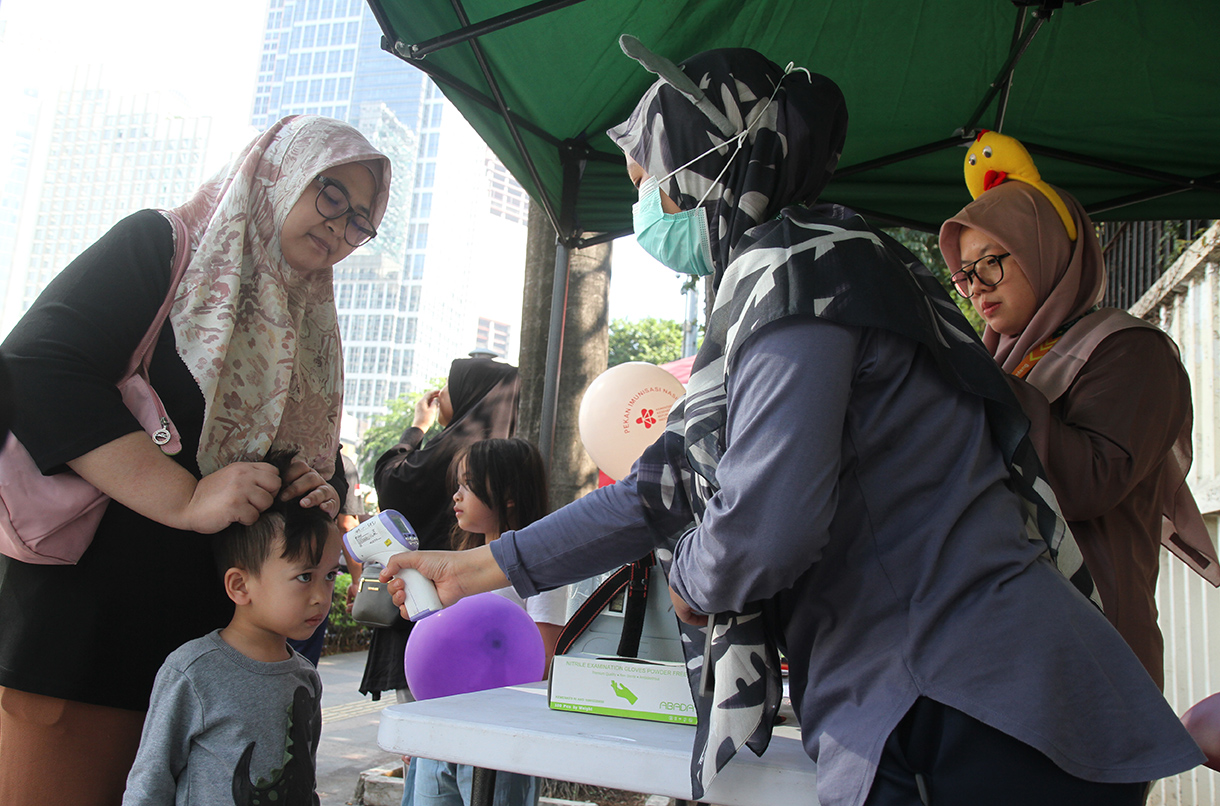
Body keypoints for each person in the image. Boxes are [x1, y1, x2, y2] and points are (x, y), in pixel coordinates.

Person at [382, 41, 1205, 806]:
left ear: (707, 169)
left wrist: (692, 581)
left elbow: (764, 530)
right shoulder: (812, 276)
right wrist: (469, 572)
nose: (647, 204)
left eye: (650, 178)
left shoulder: (799, 279)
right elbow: (652, 494)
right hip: (965, 700)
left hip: (972, 708)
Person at [0, 115, 390, 806]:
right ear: (282, 171)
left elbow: (308, 457)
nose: (342, 226)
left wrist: (311, 485)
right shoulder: (162, 245)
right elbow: (37, 366)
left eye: (362, 219)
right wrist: (182, 499)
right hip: (87, 637)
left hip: (214, 657)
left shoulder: (309, 322)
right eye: (331, 194)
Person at [939, 176, 1220, 689]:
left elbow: (1090, 481)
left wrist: (986, 385)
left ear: (1042, 248)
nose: (977, 285)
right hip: (1005, 645)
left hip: (1092, 646)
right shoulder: (1008, 363)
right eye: (963, 273)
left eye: (990, 261)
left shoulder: (1133, 353)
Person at [122, 450, 340, 805]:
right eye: (304, 576)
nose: (321, 596)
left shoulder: (305, 677)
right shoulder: (193, 671)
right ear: (240, 585)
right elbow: (150, 781)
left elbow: (303, 778)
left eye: (330, 576)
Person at [407, 438, 563, 806]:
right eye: (457, 485)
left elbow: (542, 655)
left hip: (500, 734)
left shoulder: (541, 567)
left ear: (508, 494)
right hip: (441, 728)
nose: (456, 496)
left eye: (468, 484)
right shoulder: (460, 562)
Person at [359, 357, 520, 702]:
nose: (457, 496)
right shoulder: (513, 450)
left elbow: (392, 481)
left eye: (447, 387)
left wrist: (418, 426)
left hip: (423, 610)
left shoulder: (453, 449)